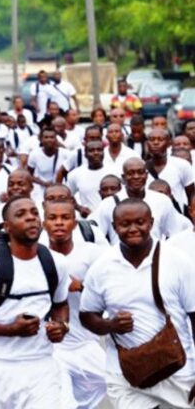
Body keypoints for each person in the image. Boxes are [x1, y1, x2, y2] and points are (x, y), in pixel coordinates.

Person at [0, 196, 70, 408]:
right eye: (21, 214)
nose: (31, 218)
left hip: (42, 367)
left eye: (35, 213)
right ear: (7, 227)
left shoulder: (56, 262)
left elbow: (60, 304)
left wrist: (61, 326)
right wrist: (10, 329)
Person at [80, 198, 195, 408]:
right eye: (125, 224)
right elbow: (87, 315)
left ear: (151, 223)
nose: (133, 229)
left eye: (140, 222)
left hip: (177, 372)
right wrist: (110, 325)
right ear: (114, 227)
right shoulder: (102, 267)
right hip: (126, 375)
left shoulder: (178, 260)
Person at [43, 201, 107, 408]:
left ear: (75, 222)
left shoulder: (91, 253)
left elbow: (111, 291)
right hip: (52, 348)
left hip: (86, 343)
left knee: (120, 383)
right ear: (44, 224)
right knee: (63, 403)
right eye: (53, 219)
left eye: (65, 218)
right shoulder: (36, 255)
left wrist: (81, 286)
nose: (59, 223)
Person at [90, 158, 190, 244]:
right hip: (121, 260)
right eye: (131, 173)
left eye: (140, 172)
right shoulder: (108, 203)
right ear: (123, 178)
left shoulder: (162, 201)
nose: (136, 176)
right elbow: (93, 232)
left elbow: (176, 232)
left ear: (146, 175)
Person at [67, 140, 117, 216]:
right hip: (88, 219)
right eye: (91, 151)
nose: (96, 153)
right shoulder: (75, 174)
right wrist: (79, 208)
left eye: (99, 150)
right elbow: (67, 196)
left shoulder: (115, 171)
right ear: (85, 154)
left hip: (113, 216)